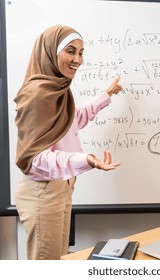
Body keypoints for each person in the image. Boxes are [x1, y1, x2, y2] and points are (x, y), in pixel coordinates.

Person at [14, 25, 123, 260]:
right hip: (44, 192)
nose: (78, 60)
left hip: (60, 188)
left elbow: (72, 120)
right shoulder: (38, 95)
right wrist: (86, 160)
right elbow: (35, 159)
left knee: (59, 261)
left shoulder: (57, 89)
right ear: (50, 52)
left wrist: (106, 96)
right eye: (70, 51)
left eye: (81, 52)